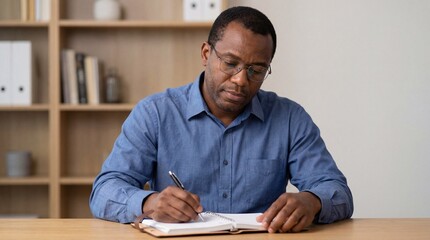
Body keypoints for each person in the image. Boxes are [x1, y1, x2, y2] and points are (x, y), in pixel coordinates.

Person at [90, 6, 353, 233]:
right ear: (206, 54)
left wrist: (312, 200)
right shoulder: (155, 113)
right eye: (230, 63)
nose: (241, 79)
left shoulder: (290, 118)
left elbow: (336, 190)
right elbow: (104, 191)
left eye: (256, 70)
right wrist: (149, 203)